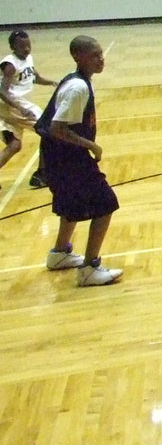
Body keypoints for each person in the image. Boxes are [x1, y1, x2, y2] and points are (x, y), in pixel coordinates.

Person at [33, 36, 122, 286]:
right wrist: (92, 145)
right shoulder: (78, 88)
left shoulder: (77, 81)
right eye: (94, 55)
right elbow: (57, 128)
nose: (101, 59)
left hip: (58, 155)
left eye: (101, 54)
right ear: (78, 57)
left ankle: (60, 253)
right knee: (106, 203)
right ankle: (89, 269)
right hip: (67, 156)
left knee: (70, 204)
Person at [0, 30, 57, 188]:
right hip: (14, 105)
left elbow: (35, 78)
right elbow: (2, 91)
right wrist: (19, 107)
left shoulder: (28, 59)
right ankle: (42, 174)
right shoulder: (10, 64)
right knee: (49, 131)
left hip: (15, 107)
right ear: (13, 47)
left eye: (28, 45)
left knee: (14, 145)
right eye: (22, 46)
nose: (26, 49)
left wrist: (53, 83)